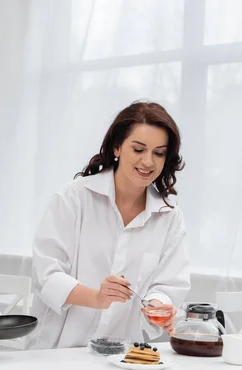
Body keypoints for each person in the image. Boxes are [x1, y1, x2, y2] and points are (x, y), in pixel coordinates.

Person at [27, 101, 190, 349]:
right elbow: (47, 274)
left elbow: (167, 285)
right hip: (56, 352)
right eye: (138, 149)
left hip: (121, 357)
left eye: (159, 153)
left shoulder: (169, 217)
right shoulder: (75, 198)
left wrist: (157, 306)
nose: (148, 161)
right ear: (117, 147)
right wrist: (97, 297)